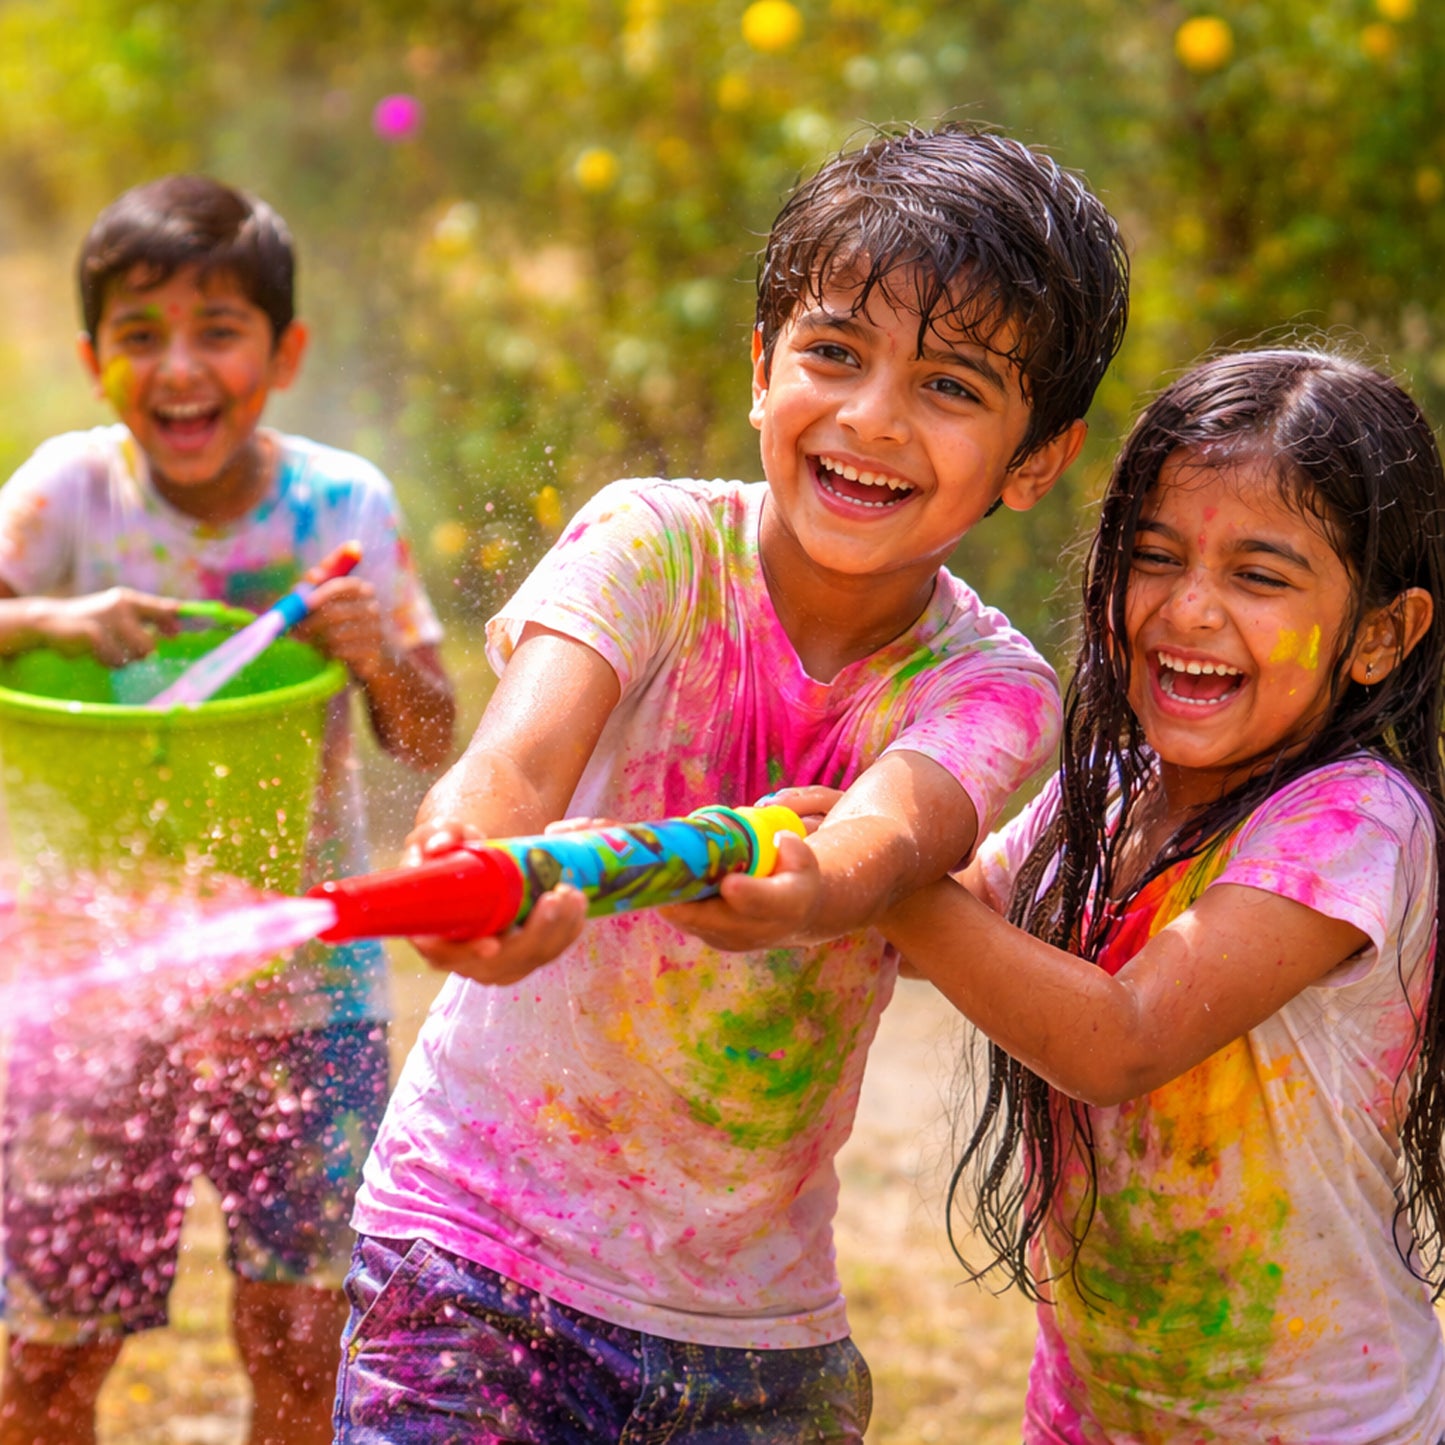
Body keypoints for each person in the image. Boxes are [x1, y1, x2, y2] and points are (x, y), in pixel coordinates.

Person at [335, 123, 1129, 1443]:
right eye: (834, 353)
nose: (872, 415)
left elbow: (880, 842)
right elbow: (517, 761)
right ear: (761, 370)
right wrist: (467, 867)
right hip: (467, 1253)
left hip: (752, 1337)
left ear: (1036, 457)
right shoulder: (650, 543)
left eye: (949, 385)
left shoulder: (990, 686)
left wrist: (802, 883)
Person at [771, 348, 1445, 1440]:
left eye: (1258, 576)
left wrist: (880, 878)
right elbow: (956, 914)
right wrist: (826, 828)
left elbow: (1117, 1040)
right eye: (1153, 556)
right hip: (1089, 1415)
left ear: (1378, 633)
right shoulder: (1111, 794)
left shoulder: (1353, 824)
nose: (1187, 608)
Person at [0, 175, 456, 1445]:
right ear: (95, 363)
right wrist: (47, 619)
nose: (180, 367)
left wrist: (374, 653)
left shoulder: (340, 507)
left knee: (305, 1345)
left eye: (219, 329)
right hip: (88, 986)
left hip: (303, 991)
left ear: (284, 351)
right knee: (50, 1360)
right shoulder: (62, 497)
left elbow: (431, 733)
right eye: (140, 334)